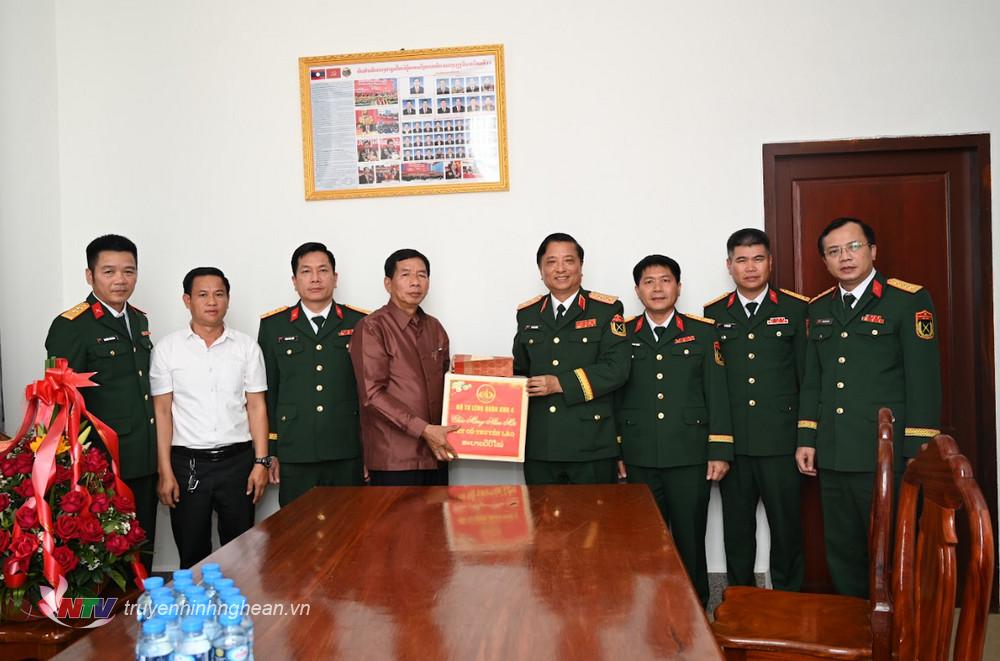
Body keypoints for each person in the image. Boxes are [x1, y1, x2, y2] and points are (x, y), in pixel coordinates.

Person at [797, 217, 941, 597]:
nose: (844, 257)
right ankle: (853, 623)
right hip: (834, 451)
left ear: (873, 251)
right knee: (842, 551)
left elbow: (923, 380)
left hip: (885, 453)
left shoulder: (907, 301)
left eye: (853, 247)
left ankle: (898, 626)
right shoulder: (819, 308)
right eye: (834, 251)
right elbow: (813, 380)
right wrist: (807, 437)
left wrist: (918, 450)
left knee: (891, 549)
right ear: (825, 261)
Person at [616, 254, 732, 606]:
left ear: (678, 287)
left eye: (665, 280)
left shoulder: (702, 332)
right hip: (638, 454)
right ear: (637, 290)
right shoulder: (622, 335)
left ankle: (694, 608)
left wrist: (719, 449)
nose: (657, 288)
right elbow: (614, 397)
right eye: (648, 282)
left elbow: (717, 392)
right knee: (644, 539)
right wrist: (617, 450)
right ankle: (649, 609)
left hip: (689, 455)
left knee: (690, 538)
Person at [45, 234, 158, 568]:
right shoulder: (71, 326)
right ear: (89, 275)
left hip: (143, 455)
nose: (120, 280)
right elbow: (61, 401)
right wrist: (73, 465)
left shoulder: (138, 319)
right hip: (102, 462)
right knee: (107, 557)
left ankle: (143, 602)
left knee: (143, 546)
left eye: (128, 271)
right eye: (109, 271)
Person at [704, 228, 807, 592]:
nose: (750, 268)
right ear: (729, 265)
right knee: (736, 530)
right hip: (734, 444)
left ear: (770, 263)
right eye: (742, 260)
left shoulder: (795, 309)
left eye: (758, 259)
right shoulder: (714, 314)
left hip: (781, 442)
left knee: (787, 528)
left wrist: (806, 437)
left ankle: (789, 601)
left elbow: (807, 377)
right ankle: (740, 600)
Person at [150, 267, 270, 568]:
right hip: (188, 464)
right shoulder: (167, 349)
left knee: (242, 554)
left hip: (238, 462)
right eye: (202, 295)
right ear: (187, 300)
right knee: (192, 554)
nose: (212, 301)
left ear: (228, 299)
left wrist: (261, 462)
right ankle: (196, 600)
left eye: (219, 294)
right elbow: (162, 411)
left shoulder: (246, 347)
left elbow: (257, 407)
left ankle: (239, 601)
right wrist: (165, 471)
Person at [512, 233, 630, 485]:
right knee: (540, 512)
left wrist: (560, 383)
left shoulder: (606, 310)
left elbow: (617, 369)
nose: (560, 269)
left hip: (591, 442)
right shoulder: (527, 314)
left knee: (594, 512)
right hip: (540, 444)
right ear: (541, 271)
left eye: (568, 260)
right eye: (551, 262)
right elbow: (520, 371)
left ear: (581, 267)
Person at [257, 243, 369, 506]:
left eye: (323, 270)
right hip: (295, 449)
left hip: (347, 448)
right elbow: (268, 392)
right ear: (295, 281)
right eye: (306, 271)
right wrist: (271, 451)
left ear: (335, 278)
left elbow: (368, 391)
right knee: (297, 526)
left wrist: (370, 451)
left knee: (349, 524)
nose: (315, 278)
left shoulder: (360, 322)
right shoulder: (274, 326)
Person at [349, 249, 455, 486]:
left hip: (436, 454)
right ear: (388, 283)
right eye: (406, 274)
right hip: (394, 459)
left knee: (438, 512)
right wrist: (423, 429)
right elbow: (372, 395)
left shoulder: (435, 328)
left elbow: (449, 386)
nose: (415, 282)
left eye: (422, 275)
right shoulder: (372, 327)